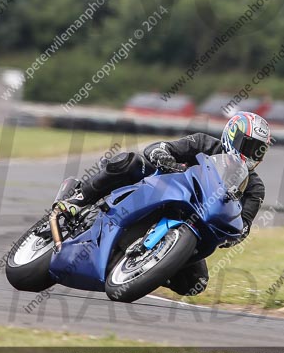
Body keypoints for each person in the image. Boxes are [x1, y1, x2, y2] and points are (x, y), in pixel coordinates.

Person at [55, 112, 272, 296]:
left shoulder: (254, 188)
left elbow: (244, 224)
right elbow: (161, 147)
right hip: (161, 188)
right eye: (250, 146)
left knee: (195, 283)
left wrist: (235, 235)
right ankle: (80, 197)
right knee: (130, 162)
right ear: (233, 136)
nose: (253, 155)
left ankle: (149, 268)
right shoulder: (203, 143)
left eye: (259, 150)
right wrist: (162, 155)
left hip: (197, 223)